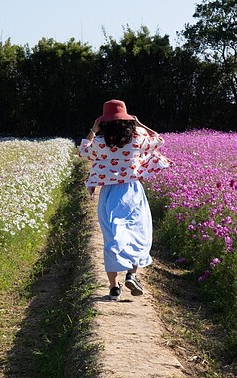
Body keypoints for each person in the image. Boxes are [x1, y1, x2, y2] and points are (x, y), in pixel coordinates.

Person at [78, 99, 171, 300]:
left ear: (103, 122)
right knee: (138, 232)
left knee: (112, 238)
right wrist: (140, 125)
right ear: (127, 120)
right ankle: (132, 274)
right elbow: (159, 140)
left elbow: (83, 151)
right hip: (133, 193)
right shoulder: (137, 139)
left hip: (109, 194)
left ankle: (113, 287)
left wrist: (93, 130)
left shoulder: (100, 143)